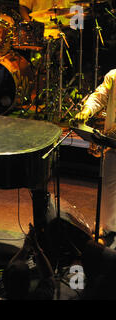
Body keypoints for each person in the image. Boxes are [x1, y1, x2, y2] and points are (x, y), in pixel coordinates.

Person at [75, 69, 116, 246]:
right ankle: (108, 227)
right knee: (109, 184)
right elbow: (99, 96)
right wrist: (86, 110)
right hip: (114, 141)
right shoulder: (114, 76)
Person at [0, 224, 55, 300]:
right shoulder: (41, 296)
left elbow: (9, 271)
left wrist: (25, 248)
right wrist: (36, 248)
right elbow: (48, 277)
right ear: (28, 284)